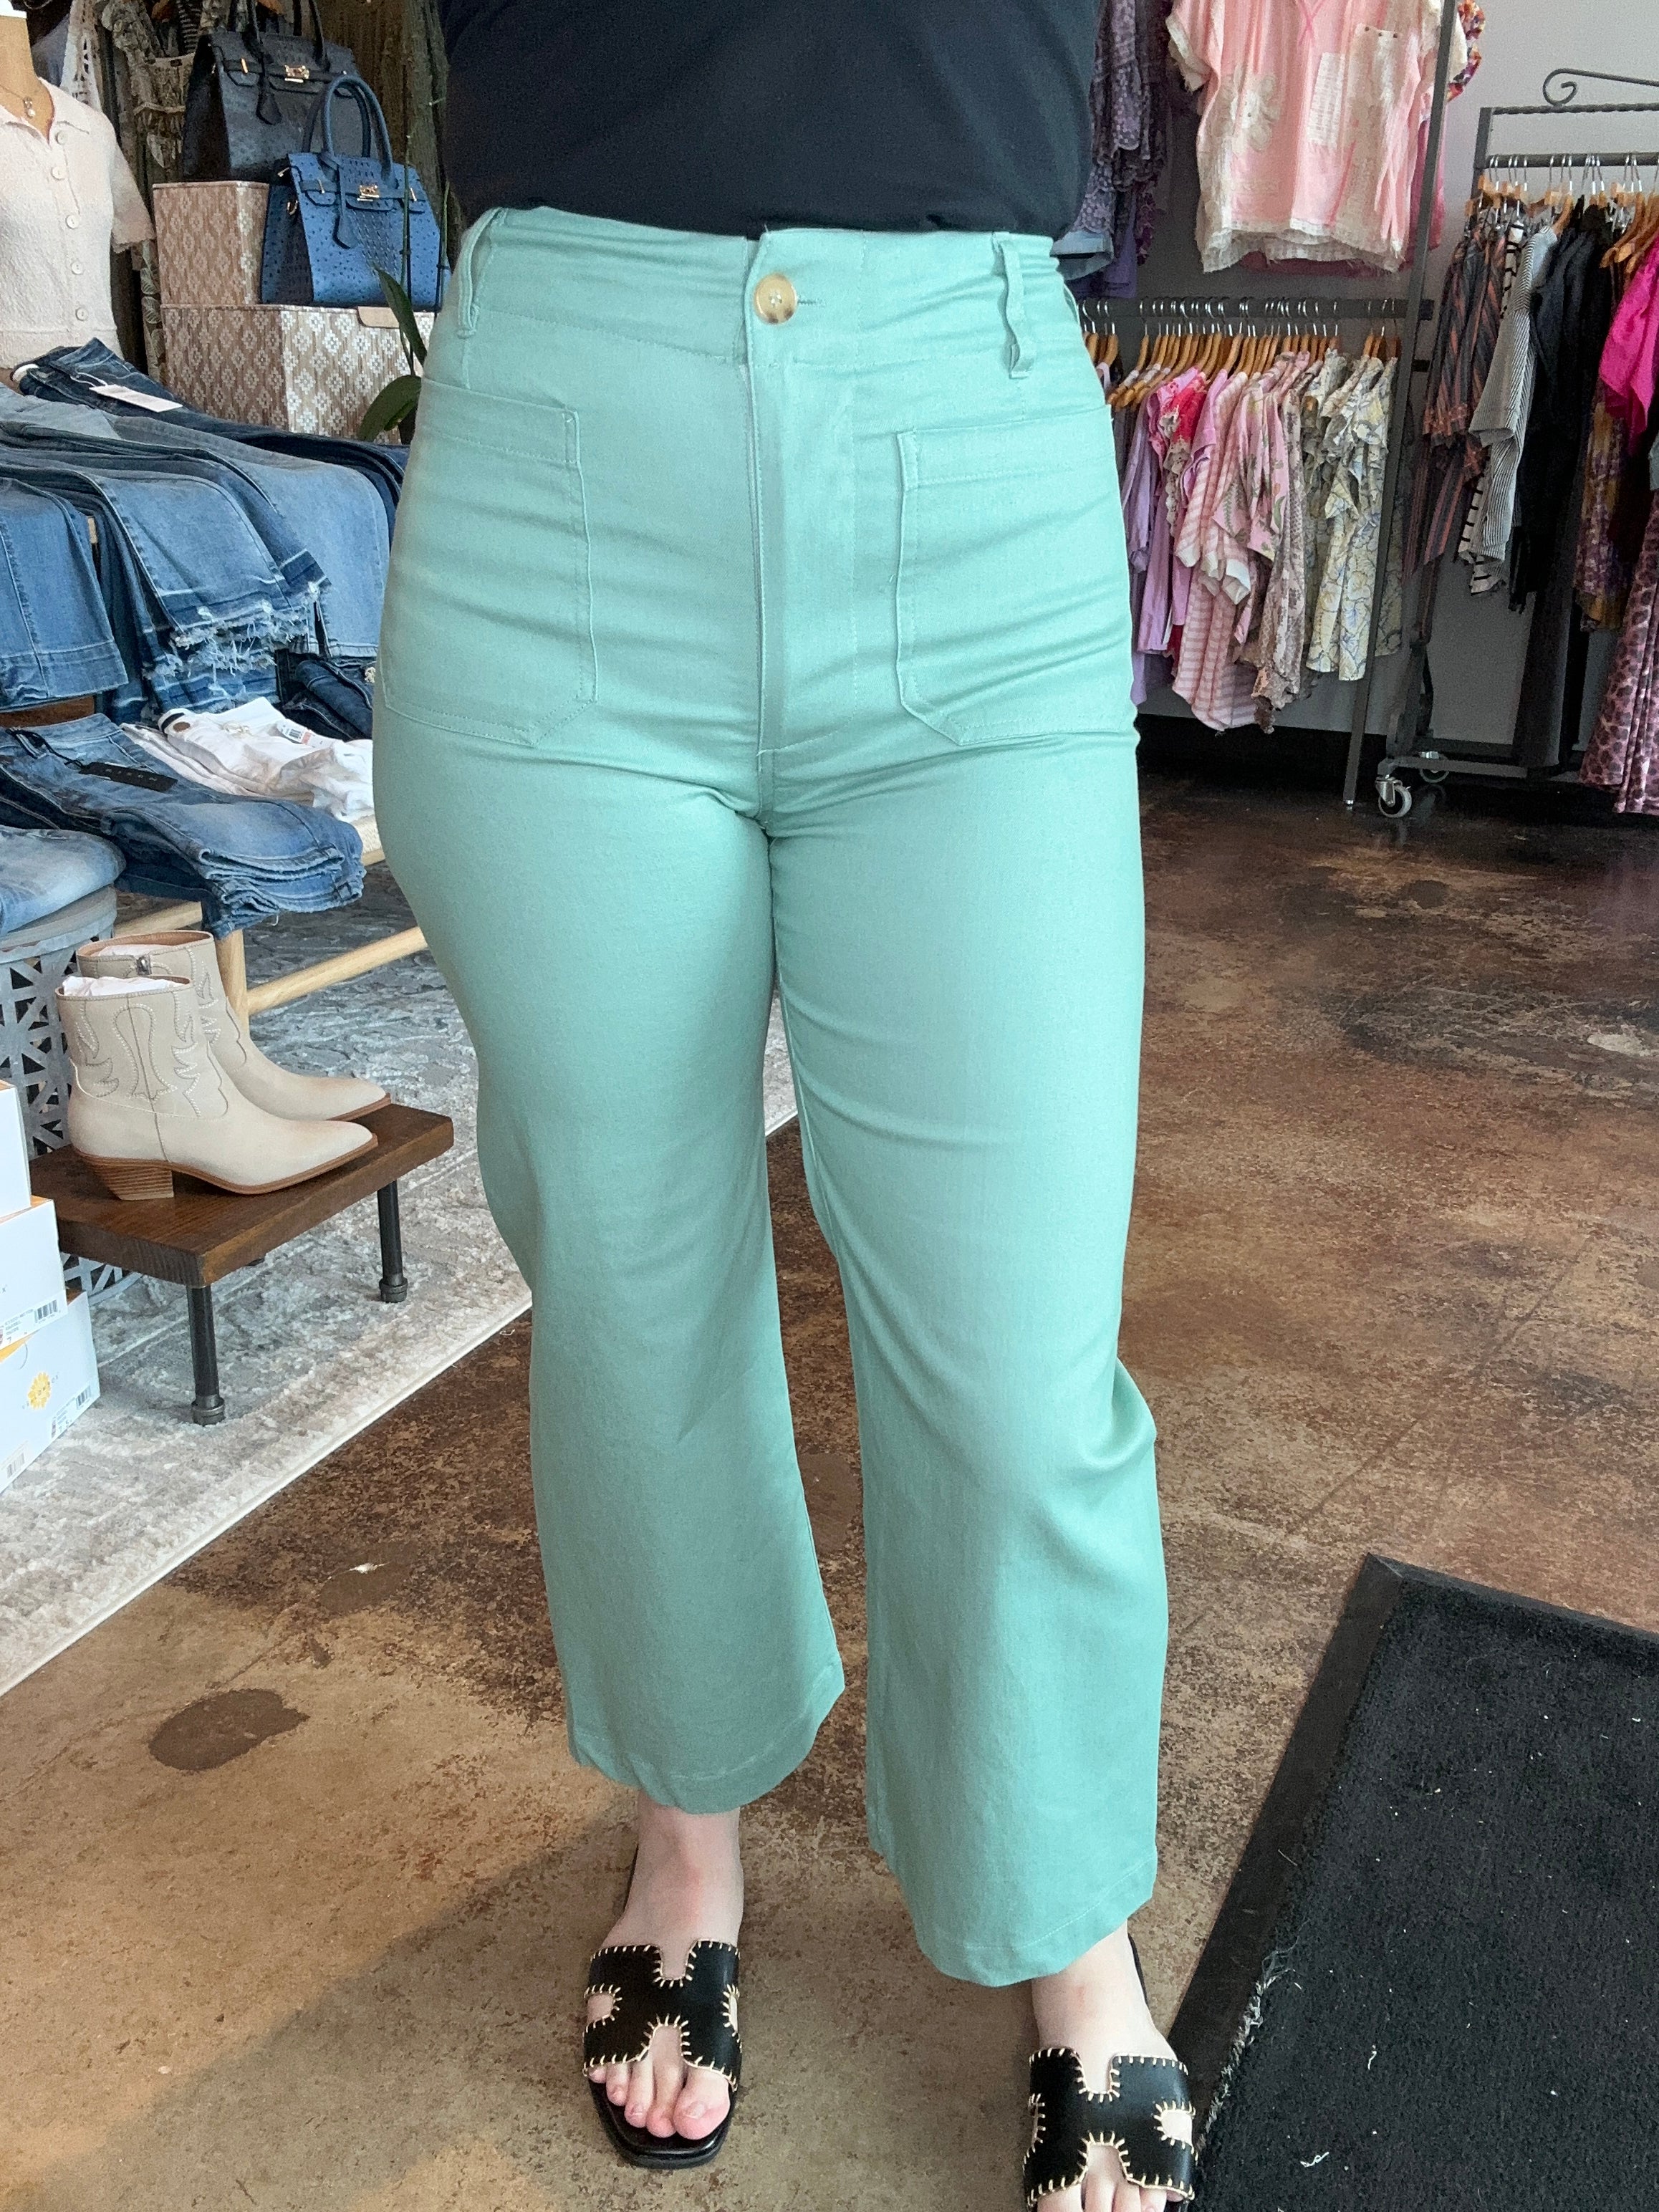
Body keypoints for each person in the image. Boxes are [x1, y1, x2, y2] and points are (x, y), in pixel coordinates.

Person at [372, 7, 1194, 2206]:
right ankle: (685, 1841)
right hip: (559, 462)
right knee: (630, 1282)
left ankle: (1065, 1923)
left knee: (1014, 1358)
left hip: (964, 448)